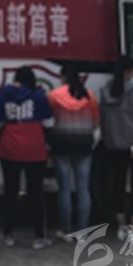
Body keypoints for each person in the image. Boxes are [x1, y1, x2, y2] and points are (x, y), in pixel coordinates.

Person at [0, 66, 54, 249]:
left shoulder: (4, 95)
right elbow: (49, 122)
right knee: (35, 193)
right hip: (34, 149)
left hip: (10, 148)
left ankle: (8, 233)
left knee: (11, 191)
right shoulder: (39, 96)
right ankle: (39, 236)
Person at [99, 56, 133, 246]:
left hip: (114, 145)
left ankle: (122, 227)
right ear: (129, 72)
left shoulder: (105, 90)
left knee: (118, 184)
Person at [47, 65, 99, 242]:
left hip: (61, 144)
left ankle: (66, 229)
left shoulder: (53, 95)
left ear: (63, 77)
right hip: (84, 144)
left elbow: (48, 120)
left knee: (65, 188)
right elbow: (96, 121)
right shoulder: (89, 95)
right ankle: (83, 230)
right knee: (83, 188)